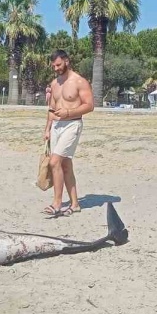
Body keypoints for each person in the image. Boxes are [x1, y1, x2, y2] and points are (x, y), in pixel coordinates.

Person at [43, 50, 94, 217]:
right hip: (57, 125)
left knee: (55, 161)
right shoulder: (55, 83)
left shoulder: (79, 81)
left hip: (72, 124)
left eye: (58, 65)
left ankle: (57, 203)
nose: (56, 68)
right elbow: (51, 109)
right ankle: (75, 204)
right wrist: (47, 129)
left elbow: (89, 105)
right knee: (65, 165)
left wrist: (69, 113)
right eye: (53, 66)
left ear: (66, 61)